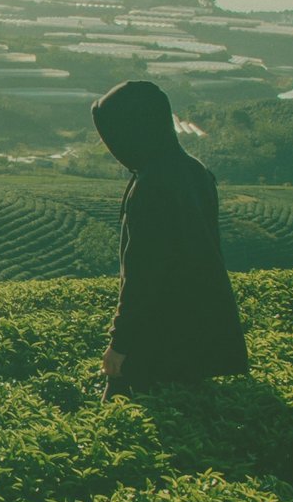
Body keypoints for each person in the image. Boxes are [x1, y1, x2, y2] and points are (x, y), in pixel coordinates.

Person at [90, 80, 248, 399]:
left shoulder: (151, 186)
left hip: (155, 342)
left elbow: (142, 277)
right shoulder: (194, 171)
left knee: (125, 427)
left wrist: (119, 346)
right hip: (197, 336)